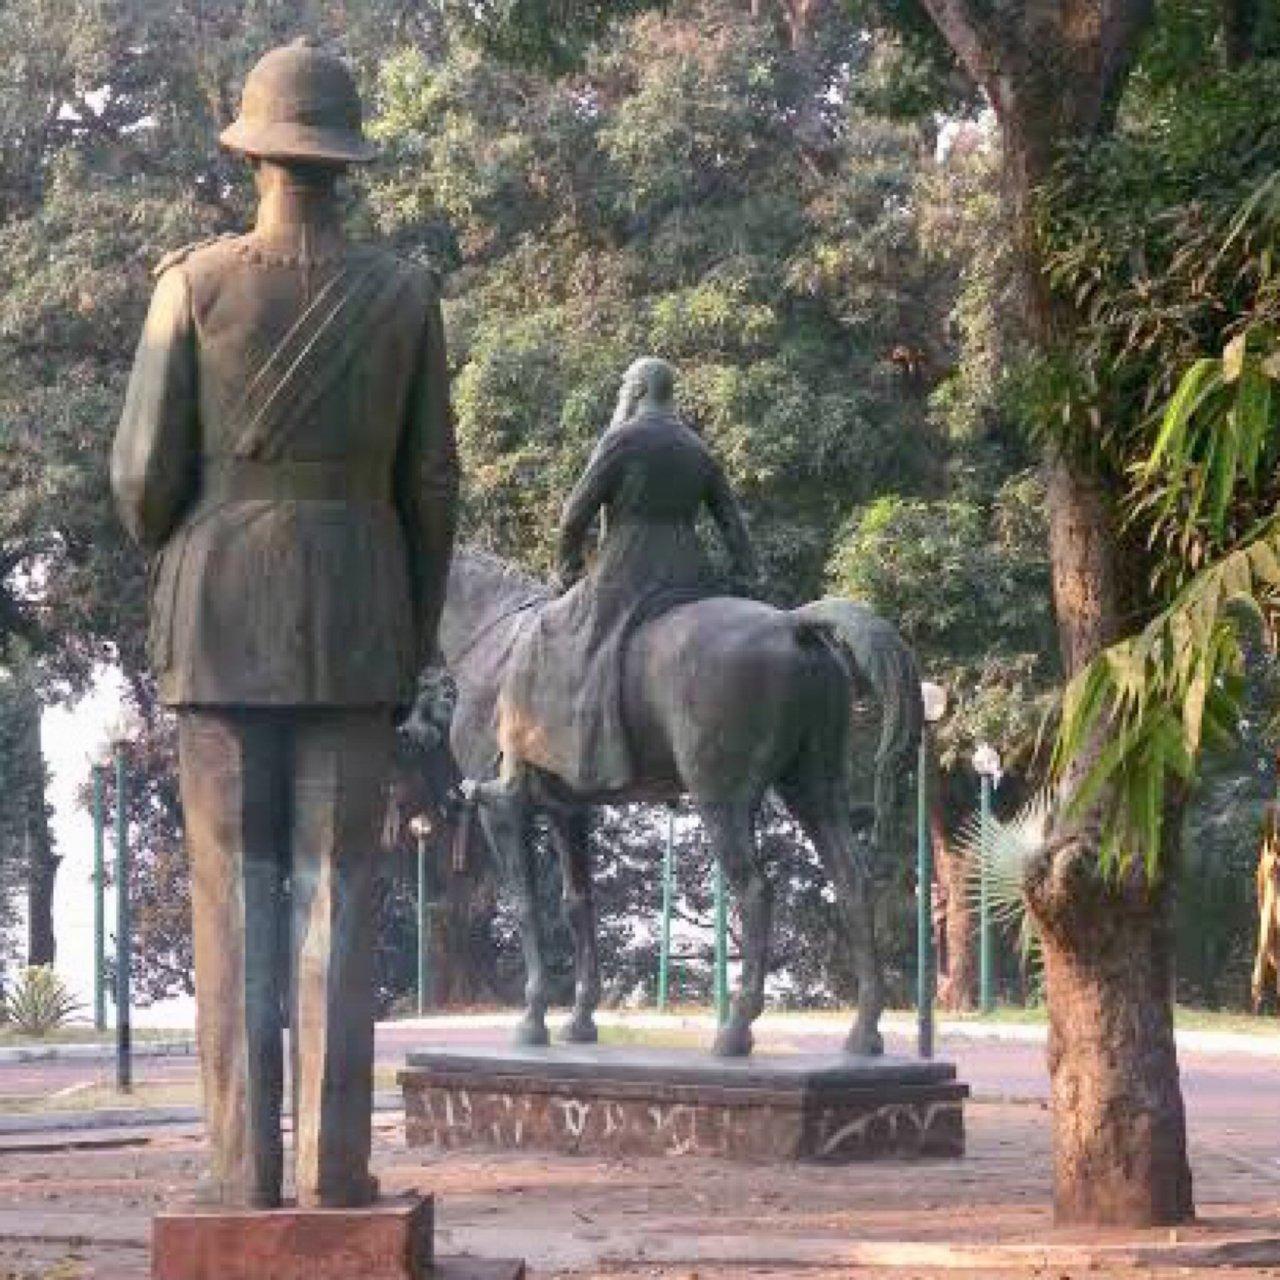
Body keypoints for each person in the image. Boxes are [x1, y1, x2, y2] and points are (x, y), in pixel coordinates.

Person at [111, 38, 458, 1210]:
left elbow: (144, 477)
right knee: (339, 893)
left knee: (230, 896)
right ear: (346, 161)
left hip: (217, 613)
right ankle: (336, 1168)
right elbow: (432, 487)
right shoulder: (406, 295)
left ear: (252, 153)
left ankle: (239, 1172)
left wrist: (198, 537)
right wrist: (410, 626)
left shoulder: (193, 286)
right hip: (358, 608)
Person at [495, 356, 755, 795]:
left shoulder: (622, 439)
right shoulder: (696, 446)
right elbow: (732, 522)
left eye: (624, 388)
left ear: (635, 390)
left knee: (545, 631)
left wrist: (566, 569)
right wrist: (745, 578)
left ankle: (515, 770)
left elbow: (574, 513)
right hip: (691, 573)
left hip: (627, 568)